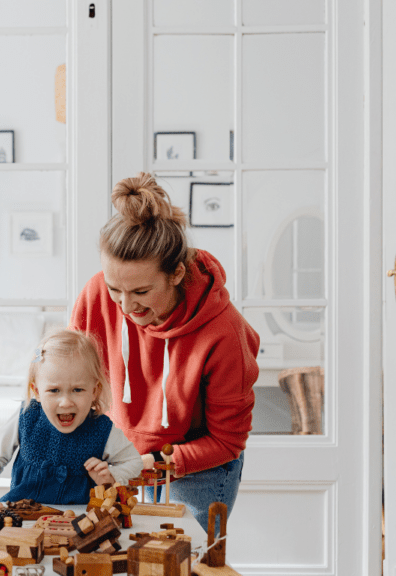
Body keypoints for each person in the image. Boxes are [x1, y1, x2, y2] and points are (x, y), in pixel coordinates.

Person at [70, 172, 260, 532]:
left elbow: (226, 440)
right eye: (115, 289)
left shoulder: (225, 333)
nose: (125, 306)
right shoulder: (96, 294)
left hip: (195, 473)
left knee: (186, 566)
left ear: (176, 274)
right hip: (114, 458)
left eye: (141, 291)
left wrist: (151, 462)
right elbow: (73, 377)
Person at [0, 329, 143, 513]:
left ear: (94, 390)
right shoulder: (27, 416)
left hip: (79, 521)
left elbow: (135, 463)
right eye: (54, 391)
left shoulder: (102, 428)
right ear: (37, 391)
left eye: (77, 390)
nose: (66, 402)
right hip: (22, 517)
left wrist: (111, 477)